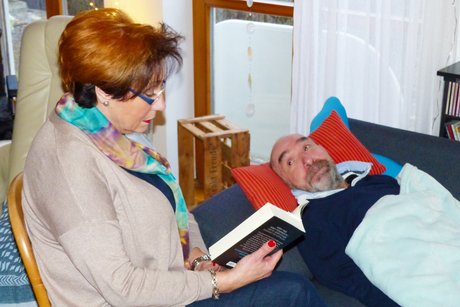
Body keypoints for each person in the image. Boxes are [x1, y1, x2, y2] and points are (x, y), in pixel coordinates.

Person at [22, 9, 326, 306]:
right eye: (150, 94)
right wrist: (223, 282)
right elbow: (123, 288)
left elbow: (177, 209)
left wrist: (198, 261)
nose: (161, 105)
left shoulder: (112, 132)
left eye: (161, 87)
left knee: (285, 286)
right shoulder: (69, 164)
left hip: (171, 284)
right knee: (292, 292)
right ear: (103, 91)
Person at [270, 134, 400, 307]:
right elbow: (360, 285)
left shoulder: (378, 181)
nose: (307, 160)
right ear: (288, 183)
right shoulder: (313, 221)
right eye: (290, 162)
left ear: (324, 150)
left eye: (307, 147)